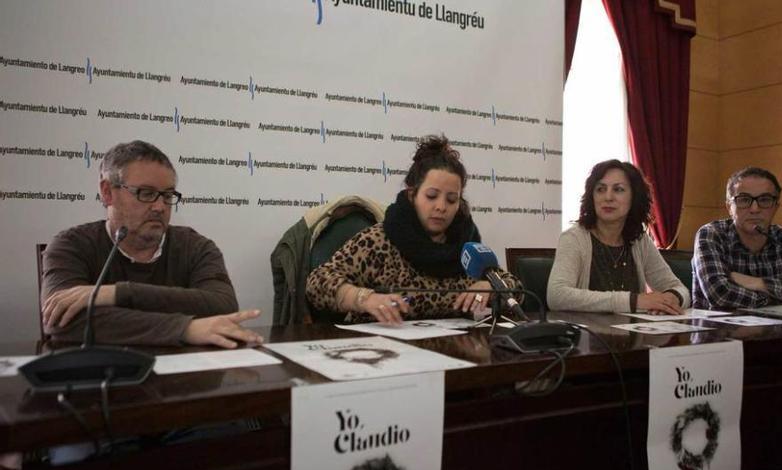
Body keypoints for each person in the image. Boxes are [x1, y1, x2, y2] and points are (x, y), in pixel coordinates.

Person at [41, 140, 263, 348]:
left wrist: (117, 294)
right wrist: (184, 329)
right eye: (146, 193)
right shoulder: (70, 246)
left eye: (167, 195)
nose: (160, 206)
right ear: (108, 192)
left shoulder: (196, 247)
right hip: (99, 380)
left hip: (182, 383)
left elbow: (221, 304)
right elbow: (63, 320)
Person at [306, 135, 520, 324]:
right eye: (431, 196)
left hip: (455, 354)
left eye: (451, 199)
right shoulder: (379, 241)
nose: (441, 207)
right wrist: (364, 298)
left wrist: (490, 288)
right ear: (412, 195)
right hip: (382, 355)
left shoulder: (468, 248)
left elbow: (516, 290)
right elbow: (318, 283)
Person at [547, 159, 690, 314]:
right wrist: (634, 301)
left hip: (634, 335)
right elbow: (557, 296)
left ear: (634, 197)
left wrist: (669, 300)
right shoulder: (575, 238)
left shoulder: (639, 240)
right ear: (591, 196)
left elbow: (680, 289)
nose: (608, 197)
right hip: (588, 335)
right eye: (600, 189)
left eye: (618, 189)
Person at [692, 167, 782, 309]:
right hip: (720, 330)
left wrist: (759, 283)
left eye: (765, 200)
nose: (755, 209)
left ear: (776, 206)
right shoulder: (712, 234)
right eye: (744, 200)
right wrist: (781, 287)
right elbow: (720, 295)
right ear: (729, 207)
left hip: (781, 331)